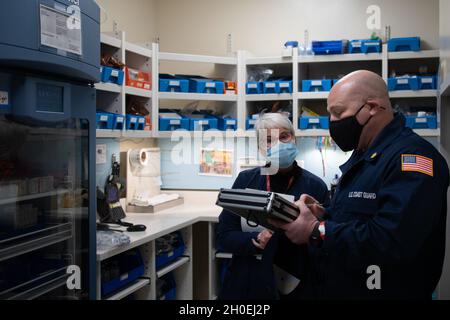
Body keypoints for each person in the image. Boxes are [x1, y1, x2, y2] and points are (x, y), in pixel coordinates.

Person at [271, 70, 450, 299]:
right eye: (330, 114)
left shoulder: (413, 159)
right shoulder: (364, 153)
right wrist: (324, 214)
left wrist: (315, 230)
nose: (332, 123)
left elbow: (392, 242)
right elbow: (360, 216)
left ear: (372, 108)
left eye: (338, 113)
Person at [216, 113, 329, 300]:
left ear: (294, 139)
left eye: (284, 136)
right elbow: (224, 235)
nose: (278, 145)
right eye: (269, 140)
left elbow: (326, 242)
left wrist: (307, 233)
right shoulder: (246, 181)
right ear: (260, 146)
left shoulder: (315, 186)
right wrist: (256, 240)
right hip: (249, 281)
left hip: (296, 281)